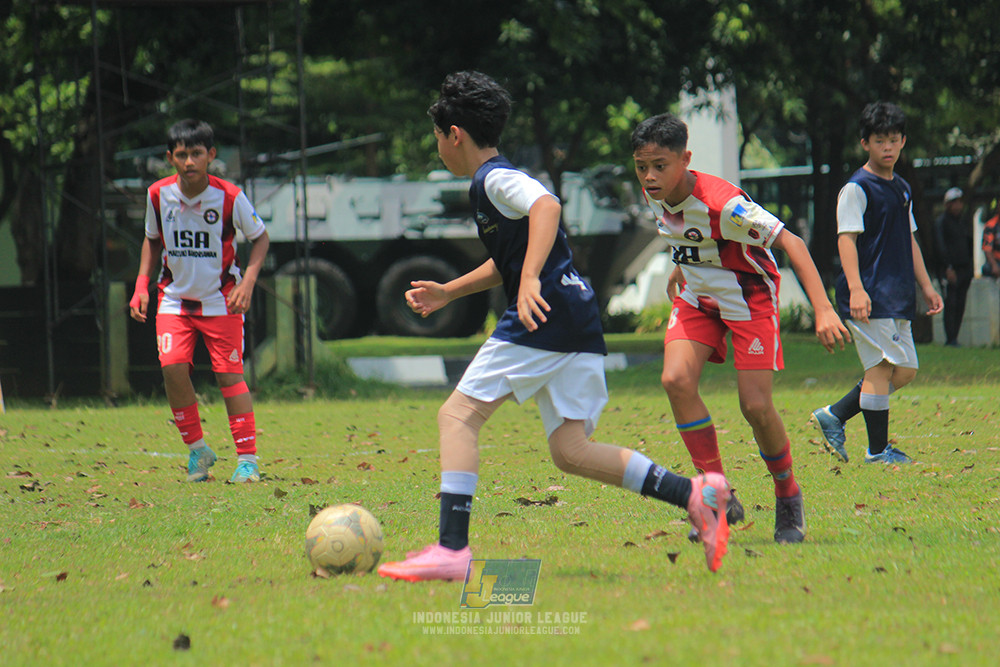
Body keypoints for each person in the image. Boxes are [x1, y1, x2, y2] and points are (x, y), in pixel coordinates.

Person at [377, 72, 732, 581]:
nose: (437, 146)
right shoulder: (492, 187)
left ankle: (452, 551)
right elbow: (510, 257)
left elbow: (547, 204)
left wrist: (527, 282)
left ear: (454, 134)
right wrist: (449, 292)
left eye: (437, 136)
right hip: (574, 316)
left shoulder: (492, 179)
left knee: (457, 417)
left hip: (545, 315)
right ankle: (694, 493)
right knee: (571, 451)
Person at [630, 113, 850, 546]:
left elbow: (793, 243)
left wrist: (823, 309)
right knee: (675, 379)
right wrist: (681, 263)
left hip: (748, 299)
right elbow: (686, 231)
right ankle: (716, 495)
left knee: (755, 406)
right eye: (641, 166)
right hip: (698, 297)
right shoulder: (654, 192)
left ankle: (787, 494)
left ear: (686, 159)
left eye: (660, 165)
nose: (650, 176)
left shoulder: (725, 204)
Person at [129, 119, 269, 483]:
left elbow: (261, 238)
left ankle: (248, 460)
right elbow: (152, 239)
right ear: (169, 158)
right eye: (181, 155)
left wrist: (247, 284)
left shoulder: (231, 197)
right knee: (172, 368)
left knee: (229, 375)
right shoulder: (158, 195)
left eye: (196, 154)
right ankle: (198, 451)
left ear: (211, 155)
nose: (189, 161)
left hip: (222, 301)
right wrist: (141, 285)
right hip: (174, 300)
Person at [812, 102, 943, 465]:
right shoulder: (856, 188)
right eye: (879, 140)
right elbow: (846, 239)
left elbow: (910, 239)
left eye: (894, 140)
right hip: (869, 293)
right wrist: (856, 288)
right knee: (882, 369)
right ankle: (877, 451)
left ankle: (835, 415)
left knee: (905, 371)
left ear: (903, 142)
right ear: (864, 143)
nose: (888, 147)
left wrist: (927, 287)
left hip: (896, 293)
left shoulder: (901, 188)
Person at [934, 187, 972, 346]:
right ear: (947, 204)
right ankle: (950, 338)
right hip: (950, 270)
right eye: (954, 202)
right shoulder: (941, 222)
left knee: (961, 303)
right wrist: (948, 267)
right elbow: (940, 247)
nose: (958, 206)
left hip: (964, 269)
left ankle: (955, 337)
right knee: (951, 303)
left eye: (959, 202)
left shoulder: (962, 222)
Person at [981, 207, 1000, 278]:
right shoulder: (991, 225)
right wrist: (994, 265)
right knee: (986, 268)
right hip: (997, 261)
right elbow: (987, 249)